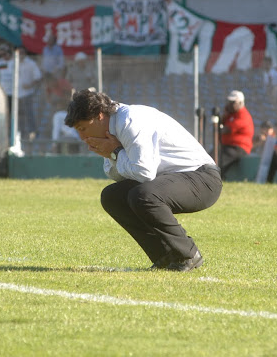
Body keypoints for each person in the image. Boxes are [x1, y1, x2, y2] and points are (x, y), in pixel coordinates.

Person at [64, 90, 222, 271]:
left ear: (99, 116)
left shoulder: (129, 121)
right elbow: (118, 176)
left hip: (203, 179)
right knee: (112, 196)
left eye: (83, 128)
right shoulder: (112, 128)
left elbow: (143, 173)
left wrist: (115, 153)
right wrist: (112, 154)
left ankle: (187, 254)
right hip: (174, 180)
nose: (82, 138)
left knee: (143, 195)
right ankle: (166, 256)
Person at [219, 90, 254, 178]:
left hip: (238, 147)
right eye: (229, 102)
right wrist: (225, 114)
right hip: (227, 146)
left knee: (219, 160)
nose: (230, 104)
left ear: (241, 103)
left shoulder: (243, 115)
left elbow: (226, 130)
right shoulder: (231, 114)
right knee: (212, 155)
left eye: (233, 102)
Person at [16, 46, 43, 141]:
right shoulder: (13, 63)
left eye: (22, 52)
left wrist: (30, 85)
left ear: (25, 53)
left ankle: (33, 133)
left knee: (29, 114)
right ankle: (21, 134)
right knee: (18, 116)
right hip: (16, 94)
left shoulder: (31, 64)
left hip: (27, 93)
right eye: (19, 52)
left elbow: (38, 77)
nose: (20, 55)